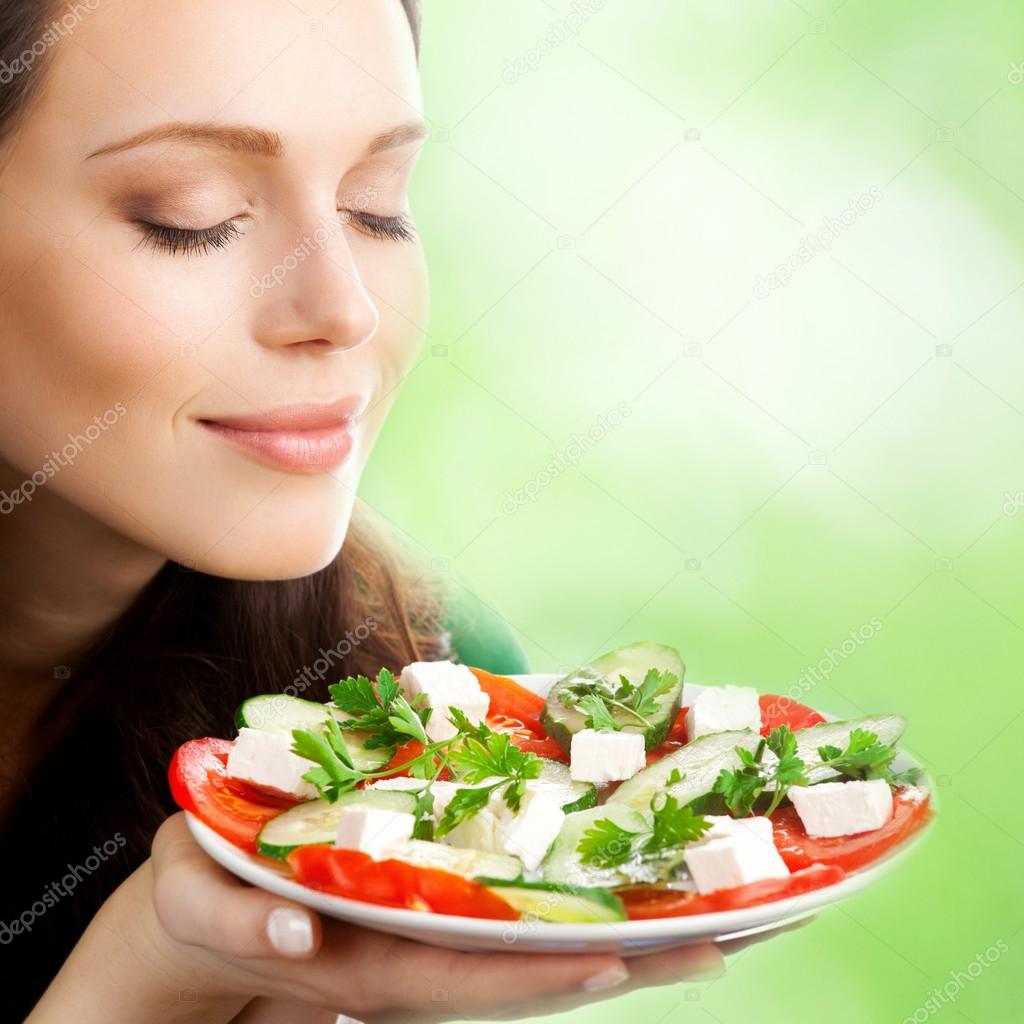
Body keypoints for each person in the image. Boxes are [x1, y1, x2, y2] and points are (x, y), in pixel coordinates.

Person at [0, 1, 733, 1020]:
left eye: (376, 204)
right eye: (192, 214)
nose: (343, 308)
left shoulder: (424, 677)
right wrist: (151, 976)